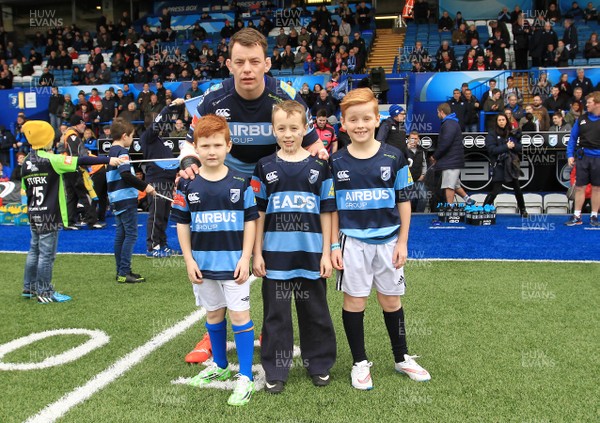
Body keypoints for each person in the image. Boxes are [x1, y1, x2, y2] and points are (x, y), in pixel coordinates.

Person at [179, 28, 327, 364]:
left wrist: (320, 158)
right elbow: (192, 142)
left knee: (267, 260)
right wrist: (189, 163)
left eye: (254, 61)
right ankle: (212, 328)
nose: (247, 69)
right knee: (217, 255)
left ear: (267, 64)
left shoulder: (285, 94)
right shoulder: (214, 99)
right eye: (240, 62)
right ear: (229, 65)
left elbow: (314, 142)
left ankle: (267, 329)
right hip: (225, 182)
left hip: (273, 184)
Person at [330, 88, 430, 391]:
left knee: (390, 300)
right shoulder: (336, 162)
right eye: (353, 119)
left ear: (377, 120)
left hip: (388, 241)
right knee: (355, 301)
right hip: (352, 243)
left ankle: (401, 357)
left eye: (366, 118)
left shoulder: (394, 156)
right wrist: (334, 244)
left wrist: (402, 242)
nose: (360, 125)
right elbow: (331, 208)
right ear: (343, 124)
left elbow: (404, 201)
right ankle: (359, 363)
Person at [251, 100, 337, 394]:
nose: (288, 134)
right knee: (276, 316)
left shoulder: (319, 167)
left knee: (315, 312)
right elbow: (257, 213)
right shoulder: (263, 166)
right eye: (281, 128)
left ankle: (320, 364)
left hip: (311, 254)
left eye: (294, 128)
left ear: (306, 129)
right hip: (275, 257)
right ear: (273, 130)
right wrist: (256, 252)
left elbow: (327, 211)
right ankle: (276, 369)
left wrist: (327, 252)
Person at [172, 114, 258, 406]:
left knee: (239, 317)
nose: (211, 151)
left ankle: (245, 376)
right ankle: (220, 367)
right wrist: (188, 260)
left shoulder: (241, 182)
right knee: (213, 315)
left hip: (234, 265)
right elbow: (182, 223)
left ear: (228, 146)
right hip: (203, 265)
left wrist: (246, 258)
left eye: (217, 145)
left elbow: (251, 222)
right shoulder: (186, 186)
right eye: (205, 145)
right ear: (196, 148)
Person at [21, 120, 122, 302]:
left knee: (34, 250)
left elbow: (24, 189)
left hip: (34, 212)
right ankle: (44, 292)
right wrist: (108, 159)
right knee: (46, 255)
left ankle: (29, 288)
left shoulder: (26, 162)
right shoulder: (52, 160)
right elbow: (82, 160)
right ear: (46, 139)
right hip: (49, 213)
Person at [107, 118, 156, 283]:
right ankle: (124, 272)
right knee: (131, 234)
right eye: (132, 136)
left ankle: (120, 271)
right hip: (125, 198)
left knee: (121, 235)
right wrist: (146, 187)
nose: (133, 139)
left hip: (116, 197)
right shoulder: (122, 152)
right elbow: (126, 174)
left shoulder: (111, 152)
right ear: (124, 136)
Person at [140, 98, 182, 258]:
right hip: (156, 182)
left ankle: (162, 244)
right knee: (156, 214)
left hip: (166, 182)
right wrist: (170, 107)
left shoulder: (159, 141)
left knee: (163, 215)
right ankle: (152, 247)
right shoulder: (147, 137)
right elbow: (159, 123)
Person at [58, 115, 104, 230]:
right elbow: (75, 154)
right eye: (82, 123)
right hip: (74, 169)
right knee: (85, 194)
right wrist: (80, 167)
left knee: (72, 196)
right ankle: (91, 221)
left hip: (67, 168)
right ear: (75, 124)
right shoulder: (72, 136)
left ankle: (69, 222)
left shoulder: (69, 135)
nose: (84, 125)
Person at [565, 91, 600, 226]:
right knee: (580, 188)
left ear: (597, 104)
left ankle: (594, 216)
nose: (586, 105)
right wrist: (569, 155)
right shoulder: (581, 119)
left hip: (598, 159)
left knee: (597, 188)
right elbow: (572, 139)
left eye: (589, 102)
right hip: (583, 158)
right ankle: (577, 216)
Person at [483, 113, 528, 217]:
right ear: (496, 122)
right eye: (499, 120)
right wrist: (506, 146)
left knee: (517, 189)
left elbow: (520, 147)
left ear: (506, 121)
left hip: (511, 164)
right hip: (498, 165)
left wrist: (513, 146)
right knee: (495, 190)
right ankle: (484, 209)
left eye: (503, 120)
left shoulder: (511, 132)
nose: (501, 122)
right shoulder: (492, 134)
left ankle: (523, 210)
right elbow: (492, 150)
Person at [430, 103, 471, 208]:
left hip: (451, 161)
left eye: (437, 112)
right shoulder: (451, 123)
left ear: (441, 112)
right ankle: (469, 200)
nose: (437, 114)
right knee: (455, 184)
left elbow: (445, 143)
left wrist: (435, 156)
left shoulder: (449, 124)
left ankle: (449, 208)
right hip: (452, 160)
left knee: (449, 186)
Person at [406, 131, 428, 212]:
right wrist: (407, 149)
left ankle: (419, 215)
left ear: (418, 140)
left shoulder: (421, 151)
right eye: (412, 138)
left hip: (418, 180)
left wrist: (423, 175)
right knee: (407, 199)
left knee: (424, 196)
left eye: (415, 139)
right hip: (406, 181)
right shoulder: (403, 150)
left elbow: (424, 164)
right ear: (408, 139)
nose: (414, 140)